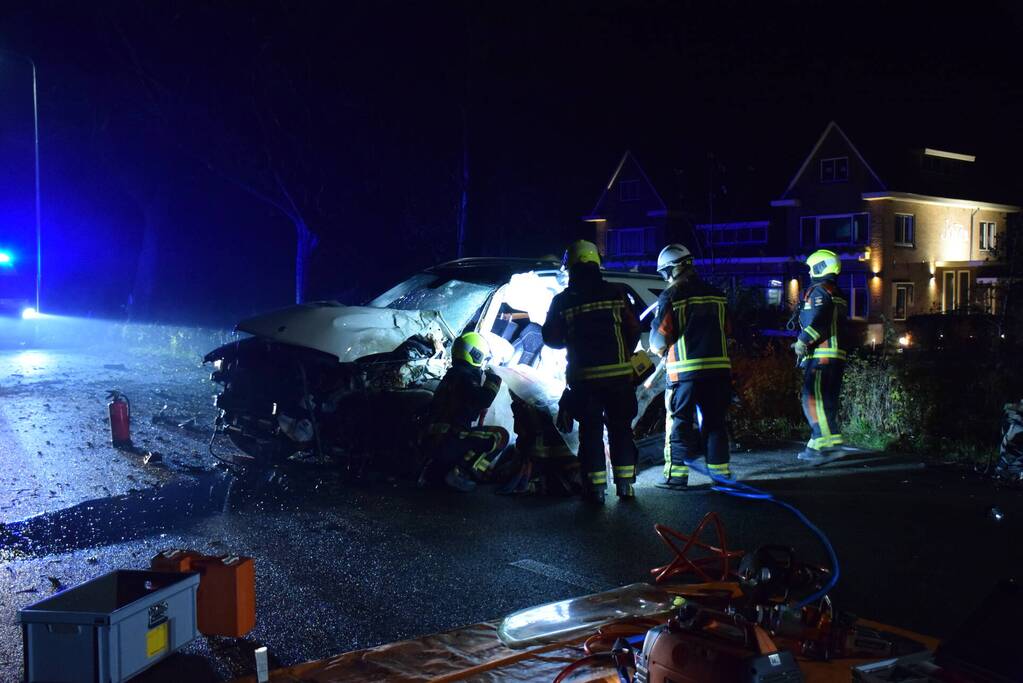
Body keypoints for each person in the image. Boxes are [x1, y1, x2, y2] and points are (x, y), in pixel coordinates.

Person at [542, 240, 641, 504]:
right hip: (619, 377)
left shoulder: (562, 300)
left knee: (591, 432)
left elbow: (551, 338)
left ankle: (596, 489)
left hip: (585, 380)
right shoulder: (617, 292)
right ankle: (625, 486)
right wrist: (623, 355)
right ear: (596, 262)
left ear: (571, 267)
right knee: (621, 429)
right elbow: (633, 329)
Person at [649, 243, 732, 489]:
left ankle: (677, 477)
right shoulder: (717, 294)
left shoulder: (671, 296)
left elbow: (659, 339)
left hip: (684, 374)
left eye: (664, 273)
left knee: (680, 423)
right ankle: (721, 477)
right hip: (718, 372)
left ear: (672, 270)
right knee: (715, 422)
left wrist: (658, 350)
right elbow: (728, 330)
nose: (665, 278)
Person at [419, 332, 509, 491]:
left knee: (470, 435)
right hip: (450, 437)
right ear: (476, 354)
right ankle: (461, 472)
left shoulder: (453, 375)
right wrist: (494, 379)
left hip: (434, 439)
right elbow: (484, 399)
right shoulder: (464, 375)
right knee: (500, 435)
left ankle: (436, 473)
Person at [792, 249, 850, 460]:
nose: (809, 273)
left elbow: (820, 321)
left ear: (819, 267)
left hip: (822, 356)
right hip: (837, 355)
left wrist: (802, 341)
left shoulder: (818, 291)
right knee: (827, 401)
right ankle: (815, 447)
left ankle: (830, 443)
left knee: (811, 400)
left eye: (810, 268)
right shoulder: (838, 293)